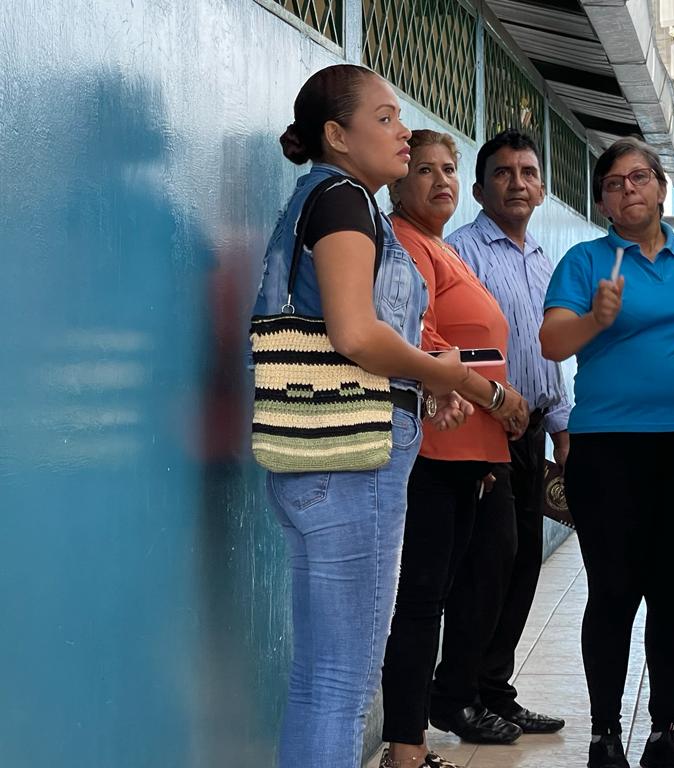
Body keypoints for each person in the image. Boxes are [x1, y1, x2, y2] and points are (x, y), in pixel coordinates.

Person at [251, 65, 475, 768]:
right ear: (337, 135)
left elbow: (353, 329)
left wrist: (422, 377)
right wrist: (441, 372)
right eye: (384, 118)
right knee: (341, 683)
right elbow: (354, 333)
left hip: (317, 461)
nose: (402, 131)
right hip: (352, 462)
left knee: (321, 678)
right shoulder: (345, 200)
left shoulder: (321, 199)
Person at [539, 136, 674, 768]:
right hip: (607, 451)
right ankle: (605, 736)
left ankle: (665, 734)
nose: (628, 190)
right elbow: (552, 341)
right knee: (613, 591)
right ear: (602, 202)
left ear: (662, 188)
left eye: (639, 178)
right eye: (614, 184)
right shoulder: (586, 262)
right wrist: (595, 319)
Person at [378, 129, 529, 768]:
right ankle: (406, 747)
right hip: (435, 449)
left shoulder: (440, 247)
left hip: (469, 449)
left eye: (447, 169)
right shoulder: (403, 244)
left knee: (459, 587)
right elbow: (422, 339)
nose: (440, 180)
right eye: (424, 170)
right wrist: (497, 399)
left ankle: (432, 721)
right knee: (422, 601)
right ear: (397, 182)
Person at [429, 129, 569, 743]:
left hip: (531, 429)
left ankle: (494, 692)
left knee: (521, 565)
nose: (517, 183)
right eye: (503, 173)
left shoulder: (541, 259)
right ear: (480, 189)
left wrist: (560, 425)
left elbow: (548, 354)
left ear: (541, 189)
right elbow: (459, 346)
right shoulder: (462, 253)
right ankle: (456, 694)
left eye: (528, 172)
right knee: (486, 566)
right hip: (482, 429)